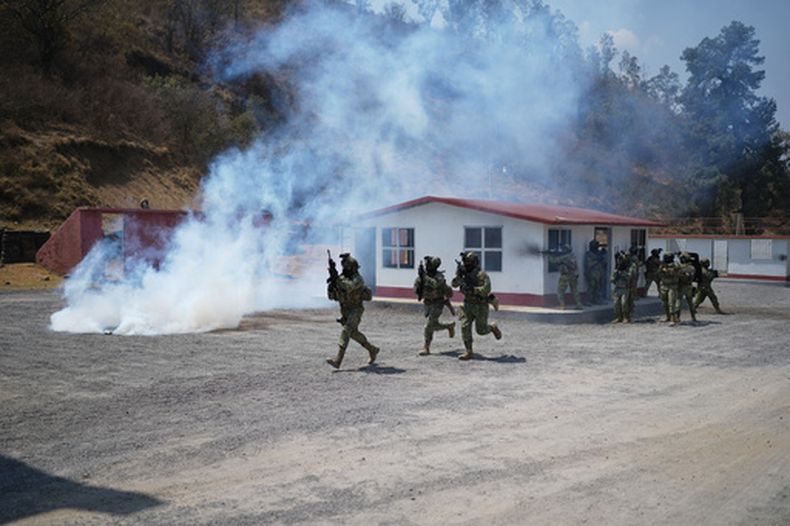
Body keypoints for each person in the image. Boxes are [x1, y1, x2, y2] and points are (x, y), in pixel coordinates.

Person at [325, 253, 380, 369]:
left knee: (346, 331)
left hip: (356, 309)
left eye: (347, 266)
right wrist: (332, 284)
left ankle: (338, 360)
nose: (345, 268)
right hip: (345, 310)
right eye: (343, 266)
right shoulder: (341, 278)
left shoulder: (358, 279)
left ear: (353, 267)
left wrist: (337, 279)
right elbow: (332, 297)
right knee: (353, 334)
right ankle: (372, 349)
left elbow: (348, 287)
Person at [451, 251, 502, 360]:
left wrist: (473, 289)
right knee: (465, 327)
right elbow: (454, 284)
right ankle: (469, 351)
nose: (467, 265)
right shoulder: (463, 273)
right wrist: (458, 276)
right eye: (465, 263)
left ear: (474, 262)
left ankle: (492, 328)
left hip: (480, 306)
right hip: (467, 304)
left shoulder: (482, 274)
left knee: (481, 330)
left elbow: (486, 289)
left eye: (469, 263)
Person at [414, 256, 456, 355]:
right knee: (433, 325)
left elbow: (435, 284)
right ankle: (449, 326)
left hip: (438, 303)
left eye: (428, 264)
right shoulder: (423, 277)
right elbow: (416, 288)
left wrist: (424, 277)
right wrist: (419, 282)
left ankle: (426, 347)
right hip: (427, 303)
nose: (426, 266)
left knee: (428, 326)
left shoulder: (439, 276)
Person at [548, 245, 583, 310]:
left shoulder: (564, 257)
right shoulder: (572, 256)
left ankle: (562, 306)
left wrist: (549, 255)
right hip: (573, 275)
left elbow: (554, 260)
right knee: (574, 290)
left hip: (565, 276)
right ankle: (579, 304)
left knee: (560, 291)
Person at [657, 252, 681, 324]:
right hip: (664, 285)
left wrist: (667, 270)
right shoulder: (662, 265)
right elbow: (658, 273)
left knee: (671, 302)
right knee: (665, 302)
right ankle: (668, 317)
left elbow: (676, 272)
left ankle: (673, 318)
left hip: (672, 286)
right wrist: (661, 268)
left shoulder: (675, 265)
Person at [611, 252, 634, 323]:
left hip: (625, 289)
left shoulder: (629, 269)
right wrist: (616, 272)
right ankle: (618, 317)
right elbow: (612, 280)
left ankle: (626, 317)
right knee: (616, 304)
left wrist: (622, 273)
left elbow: (629, 277)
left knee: (624, 304)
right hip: (617, 289)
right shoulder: (617, 270)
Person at [584, 240, 607, 304]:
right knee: (591, 287)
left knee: (599, 287)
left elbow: (605, 263)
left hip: (600, 273)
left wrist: (604, 256)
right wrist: (597, 260)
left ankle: (598, 300)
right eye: (595, 245)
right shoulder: (589, 254)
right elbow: (589, 264)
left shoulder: (599, 253)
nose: (596, 247)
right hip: (592, 273)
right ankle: (588, 300)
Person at [678, 252, 698, 323]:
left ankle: (677, 318)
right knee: (690, 303)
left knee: (678, 302)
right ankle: (693, 317)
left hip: (681, 287)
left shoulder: (679, 267)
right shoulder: (692, 267)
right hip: (689, 286)